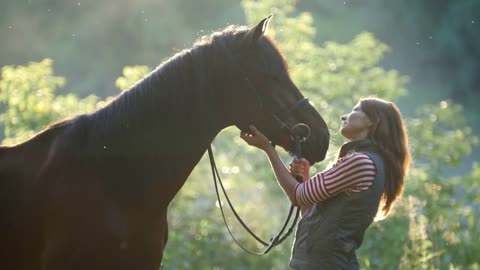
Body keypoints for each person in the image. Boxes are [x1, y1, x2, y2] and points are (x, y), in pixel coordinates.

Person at [240, 97, 411, 269]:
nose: (344, 116)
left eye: (355, 110)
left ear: (373, 121)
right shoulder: (369, 161)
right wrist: (305, 179)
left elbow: (299, 196)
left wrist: (268, 149)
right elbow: (309, 212)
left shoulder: (360, 161)